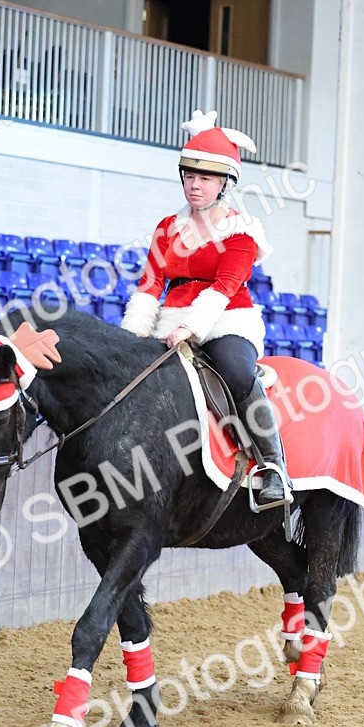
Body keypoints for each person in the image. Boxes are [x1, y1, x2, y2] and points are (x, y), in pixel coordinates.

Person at [121, 108, 291, 508]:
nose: (194, 186)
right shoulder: (167, 228)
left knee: (233, 368)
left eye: (205, 179)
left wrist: (191, 329)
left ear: (225, 183)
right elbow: (151, 285)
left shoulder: (242, 229)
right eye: (190, 177)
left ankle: (272, 465)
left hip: (226, 319)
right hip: (170, 319)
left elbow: (226, 285)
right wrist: (131, 337)